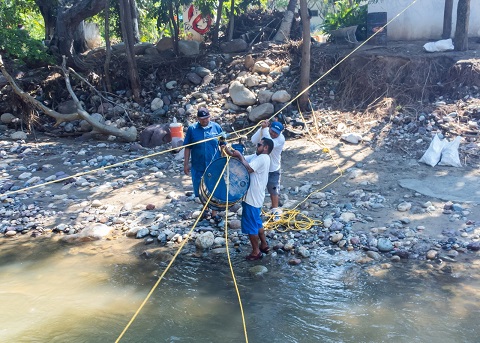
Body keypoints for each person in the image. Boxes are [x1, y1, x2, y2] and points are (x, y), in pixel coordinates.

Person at [221, 137, 274, 261]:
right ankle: (264, 245)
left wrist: (239, 156)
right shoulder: (257, 156)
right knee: (257, 222)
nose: (257, 146)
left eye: (259, 145)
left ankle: (256, 252)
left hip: (252, 198)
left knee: (251, 226)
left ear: (265, 147)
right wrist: (228, 150)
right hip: (255, 197)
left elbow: (248, 168)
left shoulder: (263, 158)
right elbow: (243, 161)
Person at [183, 107, 223, 222]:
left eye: (207, 118)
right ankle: (205, 210)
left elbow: (223, 144)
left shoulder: (216, 127)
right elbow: (187, 148)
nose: (205, 121)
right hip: (198, 165)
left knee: (214, 189)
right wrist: (186, 164)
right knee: (200, 189)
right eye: (202, 119)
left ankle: (214, 214)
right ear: (198, 119)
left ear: (210, 117)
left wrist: (225, 160)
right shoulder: (192, 129)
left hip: (214, 166)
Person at [251, 119, 285, 216]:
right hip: (260, 166)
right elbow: (253, 140)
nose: (274, 134)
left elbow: (269, 142)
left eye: (276, 133)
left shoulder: (281, 139)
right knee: (257, 188)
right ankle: (257, 209)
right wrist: (262, 128)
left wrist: (265, 129)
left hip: (272, 168)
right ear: (270, 128)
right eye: (272, 131)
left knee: (273, 189)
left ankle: (275, 210)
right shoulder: (265, 132)